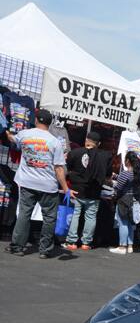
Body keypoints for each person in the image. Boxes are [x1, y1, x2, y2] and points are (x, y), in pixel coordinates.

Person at [5, 109, 69, 259]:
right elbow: (59, 168)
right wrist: (66, 188)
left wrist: (7, 132)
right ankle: (45, 250)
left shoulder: (25, 134)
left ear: (36, 120)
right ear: (50, 123)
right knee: (49, 217)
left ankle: (17, 246)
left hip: (27, 182)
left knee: (24, 214)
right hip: (48, 185)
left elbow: (13, 139)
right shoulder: (55, 142)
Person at [64, 131, 111, 250]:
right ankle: (86, 243)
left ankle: (72, 242)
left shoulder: (74, 153)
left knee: (75, 215)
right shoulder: (105, 156)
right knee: (90, 217)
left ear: (86, 140)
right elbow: (108, 174)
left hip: (77, 190)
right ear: (98, 143)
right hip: (94, 191)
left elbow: (68, 169)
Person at [109, 152, 140, 255]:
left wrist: (112, 183)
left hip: (124, 200)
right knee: (130, 224)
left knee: (123, 223)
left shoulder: (126, 173)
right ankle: (130, 246)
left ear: (127, 160)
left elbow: (119, 187)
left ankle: (122, 246)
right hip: (134, 200)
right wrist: (117, 177)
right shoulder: (136, 174)